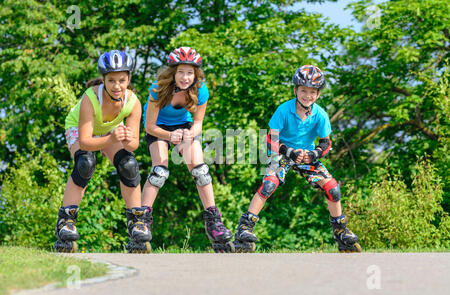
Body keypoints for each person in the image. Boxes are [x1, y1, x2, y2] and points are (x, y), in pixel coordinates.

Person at [233, 65, 361, 253]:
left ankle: (341, 231)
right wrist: (290, 151)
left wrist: (314, 154)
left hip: (307, 156)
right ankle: (245, 228)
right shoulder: (284, 110)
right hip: (282, 153)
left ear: (318, 94)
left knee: (333, 188)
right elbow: (270, 139)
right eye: (303, 90)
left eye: (312, 92)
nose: (307, 96)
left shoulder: (321, 115)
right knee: (269, 184)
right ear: (295, 90)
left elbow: (326, 143)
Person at [55, 50, 152, 253]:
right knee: (85, 164)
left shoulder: (133, 102)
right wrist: (112, 138)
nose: (117, 86)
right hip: (80, 128)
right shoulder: (90, 98)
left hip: (108, 130)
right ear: (103, 80)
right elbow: (86, 141)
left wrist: (126, 139)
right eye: (111, 81)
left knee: (129, 165)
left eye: (122, 80)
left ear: (129, 79)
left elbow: (133, 146)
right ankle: (66, 221)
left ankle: (137, 223)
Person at [141, 47, 234, 253]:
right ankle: (142, 221)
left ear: (196, 74)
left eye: (190, 72)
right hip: (158, 129)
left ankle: (214, 222)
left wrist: (191, 133)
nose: (185, 77)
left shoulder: (201, 91)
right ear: (173, 72)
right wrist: (168, 136)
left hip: (184, 127)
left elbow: (199, 122)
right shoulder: (158, 89)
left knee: (201, 171)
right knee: (159, 172)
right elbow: (149, 127)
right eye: (181, 71)